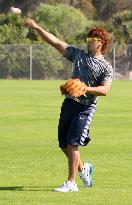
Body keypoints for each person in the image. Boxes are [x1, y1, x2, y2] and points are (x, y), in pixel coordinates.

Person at [24, 18, 113, 192]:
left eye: (91, 40)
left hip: (85, 108)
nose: (87, 43)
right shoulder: (78, 55)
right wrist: (36, 27)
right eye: (86, 40)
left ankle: (71, 183)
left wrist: (85, 88)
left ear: (100, 43)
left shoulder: (106, 67)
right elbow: (55, 42)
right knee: (64, 144)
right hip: (69, 105)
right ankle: (84, 169)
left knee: (73, 143)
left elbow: (105, 90)